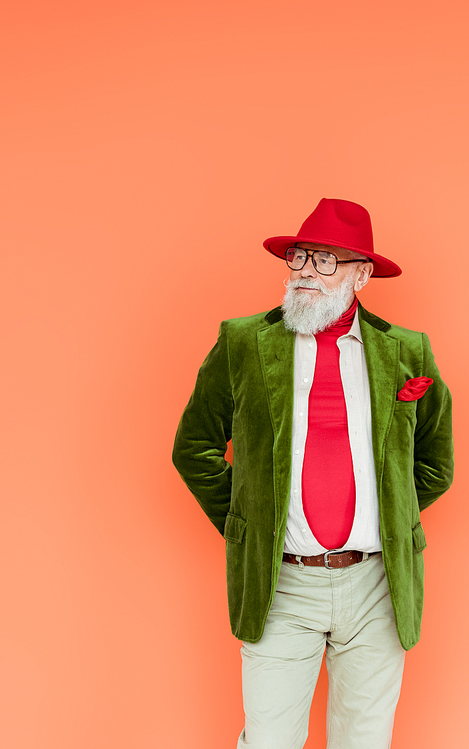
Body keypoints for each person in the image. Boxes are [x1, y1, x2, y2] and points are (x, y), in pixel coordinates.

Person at [172, 198, 454, 749]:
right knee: (269, 740)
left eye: (326, 261)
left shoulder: (407, 352)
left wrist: (388, 517)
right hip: (283, 582)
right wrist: (249, 523)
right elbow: (194, 447)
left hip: (378, 583)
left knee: (365, 741)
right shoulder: (243, 343)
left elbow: (436, 464)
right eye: (300, 257)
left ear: (362, 275)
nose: (305, 271)